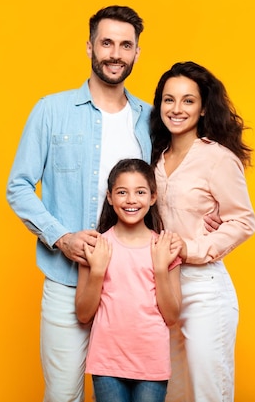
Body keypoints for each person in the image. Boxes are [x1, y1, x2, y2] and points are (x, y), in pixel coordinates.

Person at [6, 6, 150, 401]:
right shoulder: (51, 111)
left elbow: (164, 193)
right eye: (107, 43)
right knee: (64, 395)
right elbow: (18, 186)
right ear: (89, 47)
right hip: (67, 280)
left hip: (133, 289)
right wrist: (60, 238)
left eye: (125, 45)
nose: (115, 54)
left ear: (137, 52)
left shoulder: (150, 120)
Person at [150, 61, 255, 402]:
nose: (177, 109)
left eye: (187, 100)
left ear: (203, 107)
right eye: (169, 100)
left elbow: (242, 221)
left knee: (207, 392)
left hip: (203, 290)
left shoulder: (218, 159)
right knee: (171, 392)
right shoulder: (152, 157)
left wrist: (192, 247)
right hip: (157, 288)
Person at [75, 158, 182, 402]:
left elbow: (172, 316)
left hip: (152, 363)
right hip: (107, 363)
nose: (131, 200)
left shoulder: (164, 247)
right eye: (122, 192)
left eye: (140, 192)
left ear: (153, 197)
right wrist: (98, 272)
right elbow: (83, 314)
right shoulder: (95, 246)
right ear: (110, 197)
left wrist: (160, 268)